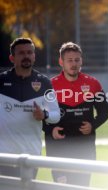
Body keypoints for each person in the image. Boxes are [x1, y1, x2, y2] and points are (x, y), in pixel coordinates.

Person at [43, 42, 108, 187]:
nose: (74, 64)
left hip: (84, 148)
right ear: (61, 62)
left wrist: (93, 125)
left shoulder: (93, 84)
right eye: (70, 60)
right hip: (58, 149)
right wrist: (50, 130)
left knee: (81, 186)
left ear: (81, 61)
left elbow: (105, 112)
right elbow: (42, 116)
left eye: (77, 60)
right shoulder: (49, 85)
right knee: (62, 187)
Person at [0, 37, 60, 178]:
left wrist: (44, 115)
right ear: (12, 58)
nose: (26, 56)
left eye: (29, 52)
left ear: (34, 56)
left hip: (32, 154)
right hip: (4, 154)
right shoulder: (1, 81)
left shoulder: (44, 83)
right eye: (21, 53)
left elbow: (56, 114)